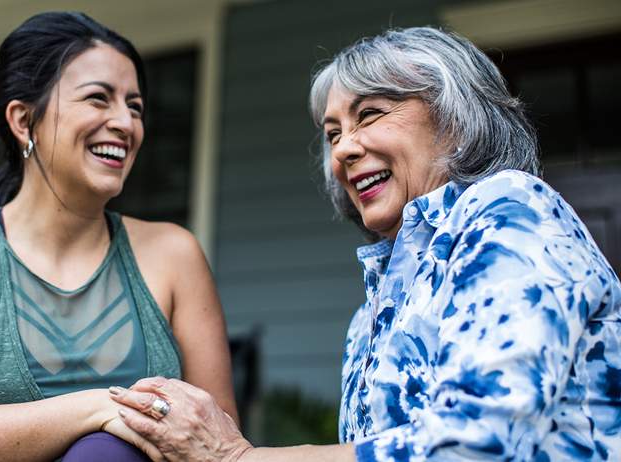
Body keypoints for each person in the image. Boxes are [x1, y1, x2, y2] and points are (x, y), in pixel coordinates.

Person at [109, 26, 621, 461]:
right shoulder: (376, 307)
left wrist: (239, 456)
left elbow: (473, 445)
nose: (344, 150)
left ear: (455, 120)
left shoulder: (511, 212)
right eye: (333, 134)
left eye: (371, 114)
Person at [0, 11, 237, 461]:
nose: (125, 124)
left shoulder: (174, 254)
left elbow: (219, 438)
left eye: (135, 107)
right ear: (22, 120)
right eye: (98, 99)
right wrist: (98, 408)